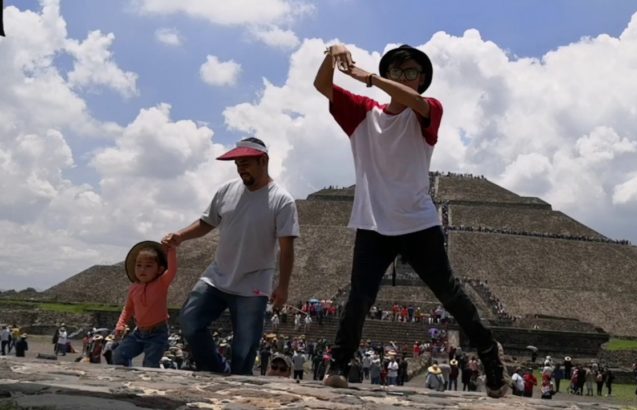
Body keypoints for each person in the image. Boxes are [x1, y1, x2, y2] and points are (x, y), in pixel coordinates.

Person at [313, 42, 510, 398]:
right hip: (374, 222)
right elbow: (322, 86)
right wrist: (332, 54)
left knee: (449, 293)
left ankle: (489, 354)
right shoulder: (362, 113)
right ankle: (339, 363)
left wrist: (370, 78)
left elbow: (415, 102)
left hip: (418, 222)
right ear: (389, 73)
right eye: (397, 71)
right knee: (359, 296)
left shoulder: (428, 110)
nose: (405, 77)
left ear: (421, 81)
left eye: (411, 73)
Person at [163, 137, 299, 375]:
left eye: (245, 163)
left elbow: (287, 249)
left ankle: (238, 386)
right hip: (217, 276)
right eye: (237, 164)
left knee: (244, 349)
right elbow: (207, 222)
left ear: (264, 161)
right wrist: (180, 236)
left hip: (253, 282)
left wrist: (283, 287)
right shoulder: (227, 190)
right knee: (190, 321)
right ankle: (218, 371)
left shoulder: (282, 201)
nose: (240, 169)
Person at [112, 241, 177, 368]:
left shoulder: (161, 283)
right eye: (139, 265)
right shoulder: (134, 288)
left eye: (148, 266)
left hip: (157, 333)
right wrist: (121, 323)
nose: (142, 269)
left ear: (159, 269)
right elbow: (128, 308)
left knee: (150, 364)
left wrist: (171, 250)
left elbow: (173, 269)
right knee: (119, 355)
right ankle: (126, 381)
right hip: (139, 332)